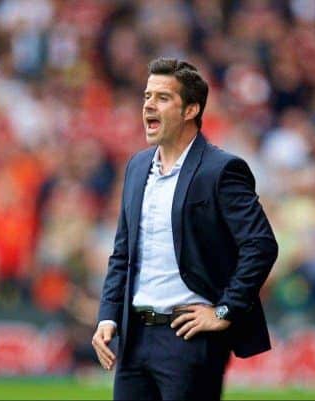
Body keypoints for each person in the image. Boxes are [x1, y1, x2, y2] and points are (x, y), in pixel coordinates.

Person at [91, 58, 278, 400]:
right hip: (134, 339)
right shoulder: (136, 167)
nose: (148, 104)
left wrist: (225, 310)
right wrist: (108, 317)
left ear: (191, 109)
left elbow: (261, 245)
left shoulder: (221, 170)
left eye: (162, 98)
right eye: (147, 96)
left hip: (189, 339)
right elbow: (123, 252)